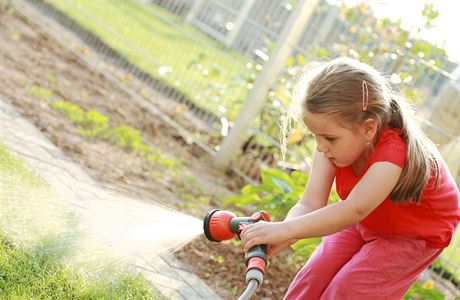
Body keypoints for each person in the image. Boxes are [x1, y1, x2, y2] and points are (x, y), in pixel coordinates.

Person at [240, 57, 460, 299]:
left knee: (349, 289)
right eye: (316, 136)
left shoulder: (392, 153)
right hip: (370, 218)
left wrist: (286, 229)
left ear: (368, 128)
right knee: (315, 273)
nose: (321, 146)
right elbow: (310, 203)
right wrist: (286, 232)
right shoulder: (333, 143)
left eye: (329, 138)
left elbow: (353, 210)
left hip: (413, 233)